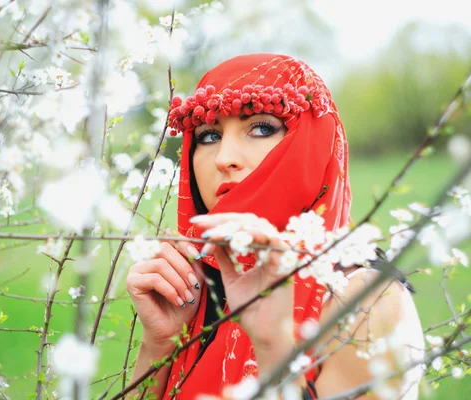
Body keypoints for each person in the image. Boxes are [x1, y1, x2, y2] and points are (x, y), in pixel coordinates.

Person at [126, 54, 424, 399]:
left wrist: (272, 347)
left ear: (313, 143)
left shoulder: (363, 301)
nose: (224, 158)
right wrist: (160, 346)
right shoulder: (188, 287)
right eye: (208, 135)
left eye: (262, 128)